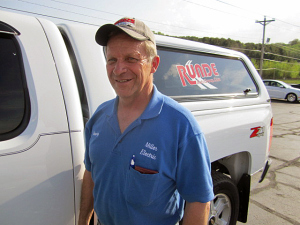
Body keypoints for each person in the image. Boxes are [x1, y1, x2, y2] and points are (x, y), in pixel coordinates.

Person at [78, 17, 214, 225]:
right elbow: (91, 173)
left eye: (131, 59)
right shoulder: (98, 117)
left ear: (154, 64)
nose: (118, 69)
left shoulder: (181, 125)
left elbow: (198, 202)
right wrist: (82, 222)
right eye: (112, 59)